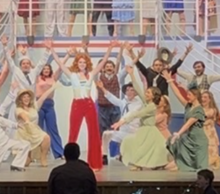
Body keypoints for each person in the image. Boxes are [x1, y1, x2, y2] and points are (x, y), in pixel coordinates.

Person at [52, 42, 120, 170]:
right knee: (73, 133)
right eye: (80, 62)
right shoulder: (72, 75)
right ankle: (70, 162)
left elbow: (102, 63)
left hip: (88, 104)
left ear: (87, 63)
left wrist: (109, 49)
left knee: (94, 133)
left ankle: (95, 163)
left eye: (84, 62)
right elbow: (60, 64)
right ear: (76, 63)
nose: (82, 64)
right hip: (77, 104)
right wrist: (52, 50)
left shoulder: (92, 74)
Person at [110, 58, 170, 170]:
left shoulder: (152, 106)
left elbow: (137, 114)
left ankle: (140, 164)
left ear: (153, 95)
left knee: (143, 148)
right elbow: (137, 88)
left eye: (148, 92)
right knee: (135, 145)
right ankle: (137, 164)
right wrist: (132, 75)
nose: (145, 94)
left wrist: (122, 121)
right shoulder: (147, 102)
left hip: (149, 131)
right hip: (144, 130)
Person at [163, 76, 210, 172]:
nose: (187, 96)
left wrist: (178, 134)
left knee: (200, 169)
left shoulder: (199, 110)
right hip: (189, 139)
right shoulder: (188, 106)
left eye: (189, 95)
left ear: (195, 96)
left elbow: (189, 123)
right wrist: (170, 81)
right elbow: (178, 94)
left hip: (198, 141)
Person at [99, 78, 143, 166]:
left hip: (133, 132)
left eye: (132, 90)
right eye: (127, 90)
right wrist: (102, 88)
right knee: (106, 134)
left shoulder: (139, 104)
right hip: (123, 131)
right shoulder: (124, 102)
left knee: (133, 154)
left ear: (136, 92)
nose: (129, 92)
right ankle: (104, 156)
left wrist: (119, 123)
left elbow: (130, 115)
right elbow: (113, 99)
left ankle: (126, 157)